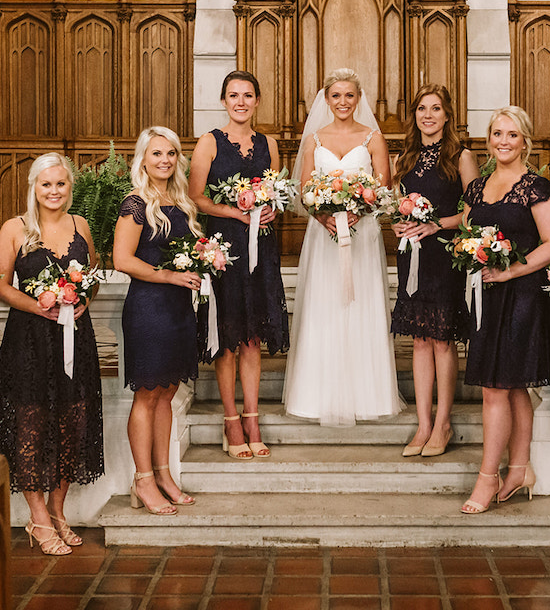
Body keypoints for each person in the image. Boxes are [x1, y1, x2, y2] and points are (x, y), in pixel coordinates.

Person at [0, 153, 105, 555]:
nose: (54, 192)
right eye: (46, 184)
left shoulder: (81, 226)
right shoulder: (15, 229)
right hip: (30, 339)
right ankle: (37, 520)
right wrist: (37, 304)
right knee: (32, 424)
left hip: (75, 336)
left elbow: (93, 276)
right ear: (34, 187)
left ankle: (58, 512)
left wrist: (85, 297)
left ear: (70, 188)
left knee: (72, 422)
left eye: (61, 184)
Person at [283, 69, 404, 426]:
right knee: (325, 305)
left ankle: (370, 394)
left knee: (360, 303)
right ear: (326, 99)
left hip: (361, 234)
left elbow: (383, 190)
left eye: (349, 95)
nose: (343, 102)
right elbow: (304, 189)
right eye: (336, 96)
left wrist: (358, 210)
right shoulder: (314, 140)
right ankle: (314, 396)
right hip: (322, 237)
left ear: (359, 98)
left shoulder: (373, 139)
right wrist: (321, 213)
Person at [459, 107, 550, 514]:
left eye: (512, 134)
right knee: (513, 385)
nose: (503, 141)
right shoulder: (478, 187)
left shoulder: (535, 186)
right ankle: (519, 468)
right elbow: (468, 235)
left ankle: (488, 477)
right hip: (485, 295)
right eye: (497, 134)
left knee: (495, 387)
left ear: (525, 141)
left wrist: (509, 272)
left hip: (522, 295)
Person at [188, 71, 289, 459]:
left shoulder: (269, 144)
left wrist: (267, 212)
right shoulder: (209, 142)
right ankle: (231, 421)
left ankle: (252, 416)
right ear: (223, 100)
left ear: (257, 100)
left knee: (252, 338)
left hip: (261, 250)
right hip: (224, 248)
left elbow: (276, 196)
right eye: (233, 95)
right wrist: (236, 211)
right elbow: (197, 196)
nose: (241, 102)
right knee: (228, 336)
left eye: (248, 95)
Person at [114, 126, 203, 515]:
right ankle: (143, 479)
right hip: (149, 308)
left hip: (179, 308)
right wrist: (169, 276)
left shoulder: (180, 200)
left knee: (167, 392)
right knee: (147, 394)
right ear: (143, 160)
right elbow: (123, 260)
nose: (164, 160)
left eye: (170, 154)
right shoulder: (136, 203)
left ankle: (164, 474)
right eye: (156, 154)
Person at [390, 84, 478, 457]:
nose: (428, 115)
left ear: (447, 114)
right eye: (422, 109)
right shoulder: (404, 158)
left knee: (441, 339)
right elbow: (398, 205)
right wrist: (397, 223)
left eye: (435, 108)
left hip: (444, 255)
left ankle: (443, 423)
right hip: (412, 254)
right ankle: (423, 423)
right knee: (420, 340)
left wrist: (438, 224)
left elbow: (476, 214)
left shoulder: (461, 155)